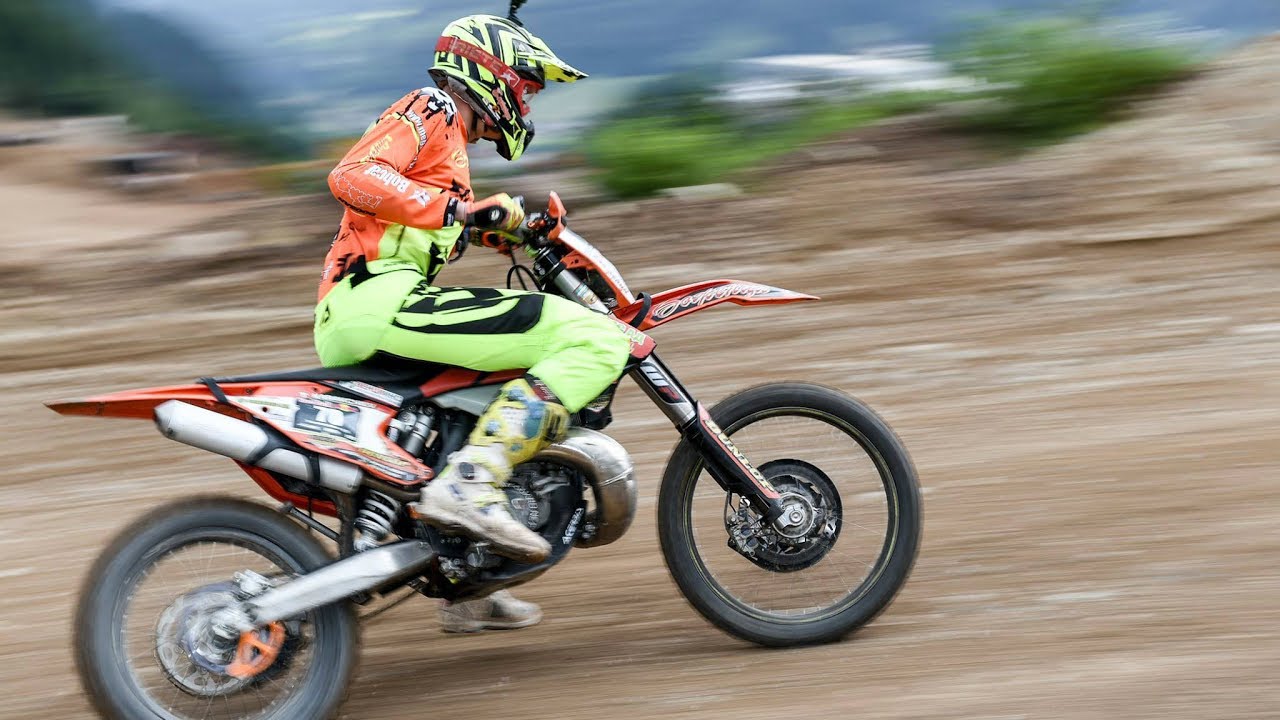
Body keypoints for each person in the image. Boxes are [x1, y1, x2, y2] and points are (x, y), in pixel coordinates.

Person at [313, 14, 631, 631]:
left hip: (368, 307)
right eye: (527, 86)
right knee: (592, 337)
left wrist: (495, 225)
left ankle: (470, 578)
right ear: (489, 70)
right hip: (376, 303)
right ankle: (470, 487)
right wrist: (458, 208)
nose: (527, 101)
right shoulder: (431, 106)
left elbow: (422, 214)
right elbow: (353, 176)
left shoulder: (451, 147)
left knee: (486, 395)